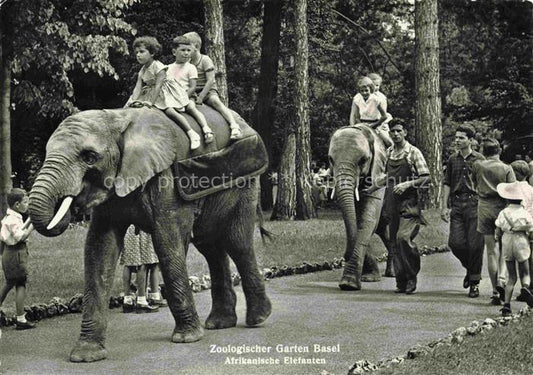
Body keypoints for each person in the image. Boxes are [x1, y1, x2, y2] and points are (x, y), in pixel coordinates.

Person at [125, 36, 203, 151]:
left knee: (169, 110)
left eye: (142, 52)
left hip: (165, 91)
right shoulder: (142, 70)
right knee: (131, 109)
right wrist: (132, 101)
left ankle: (191, 133)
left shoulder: (159, 67)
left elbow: (158, 86)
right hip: (150, 91)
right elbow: (138, 87)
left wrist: (150, 102)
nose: (138, 55)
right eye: (136, 52)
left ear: (152, 53)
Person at [381, 121, 430, 294]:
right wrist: (369, 188)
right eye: (392, 131)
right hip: (391, 203)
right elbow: (385, 177)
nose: (395, 134)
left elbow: (426, 178)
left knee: (403, 239)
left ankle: (411, 276)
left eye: (398, 131)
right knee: (393, 242)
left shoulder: (413, 153)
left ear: (405, 132)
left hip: (409, 204)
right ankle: (401, 281)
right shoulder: (388, 153)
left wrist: (408, 184)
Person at [441, 124, 485, 298]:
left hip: (475, 203)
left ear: (471, 140)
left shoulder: (480, 159)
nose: (457, 141)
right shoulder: (452, 159)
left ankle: (474, 283)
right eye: (456, 138)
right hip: (457, 204)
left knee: (475, 245)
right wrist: (444, 206)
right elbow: (447, 183)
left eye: (461, 138)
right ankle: (471, 270)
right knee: (455, 243)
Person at [472, 138, 516, 305]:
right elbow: (513, 191)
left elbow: (475, 183)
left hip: (484, 207)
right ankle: (502, 281)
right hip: (501, 208)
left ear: (484, 152)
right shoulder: (506, 168)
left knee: (491, 251)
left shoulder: (478, 165)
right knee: (503, 249)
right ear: (499, 151)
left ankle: (494, 291)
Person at [154, 35, 214, 149]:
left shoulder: (191, 68)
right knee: (168, 110)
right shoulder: (168, 68)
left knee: (191, 107)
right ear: (174, 52)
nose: (186, 53)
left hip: (187, 96)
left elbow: (192, 87)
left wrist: (182, 99)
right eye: (183, 50)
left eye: (188, 50)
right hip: (172, 97)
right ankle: (187, 132)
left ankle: (206, 129)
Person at [183, 31, 242, 140]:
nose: (185, 50)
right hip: (194, 91)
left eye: (187, 46)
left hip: (208, 90)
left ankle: (234, 126)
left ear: (196, 47)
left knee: (215, 102)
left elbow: (210, 80)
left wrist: (201, 97)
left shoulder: (205, 60)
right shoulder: (187, 62)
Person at [494, 182, 533, 316]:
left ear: (507, 198)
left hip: (507, 241)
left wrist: (498, 236)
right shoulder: (525, 213)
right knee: (525, 272)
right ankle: (526, 288)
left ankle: (506, 305)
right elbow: (531, 228)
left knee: (511, 277)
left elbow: (497, 231)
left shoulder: (503, 213)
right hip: (521, 241)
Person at [0, 188, 36, 330]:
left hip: (11, 254)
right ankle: (21, 319)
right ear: (17, 205)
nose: (27, 205)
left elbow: (20, 230)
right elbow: (20, 236)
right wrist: (33, 225)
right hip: (16, 254)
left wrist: (29, 220)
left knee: (10, 283)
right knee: (20, 284)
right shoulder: (12, 220)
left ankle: (21, 318)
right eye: (25, 202)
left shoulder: (12, 217)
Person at [121, 226, 160, 313]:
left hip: (128, 227)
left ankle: (127, 300)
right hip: (142, 226)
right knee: (144, 262)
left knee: (128, 263)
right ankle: (142, 299)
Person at [510, 160, 533, 298]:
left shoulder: (513, 189)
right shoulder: (531, 189)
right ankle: (530, 287)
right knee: (530, 257)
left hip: (518, 226)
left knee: (521, 258)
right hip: (530, 224)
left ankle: (526, 287)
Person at [349, 76, 393, 147]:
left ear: (371, 90)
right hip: (362, 124)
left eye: (366, 90)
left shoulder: (376, 100)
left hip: (376, 124)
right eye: (362, 91)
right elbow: (356, 116)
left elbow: (384, 116)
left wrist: (374, 125)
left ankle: (391, 155)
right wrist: (360, 126)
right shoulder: (357, 99)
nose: (364, 93)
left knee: (389, 143)